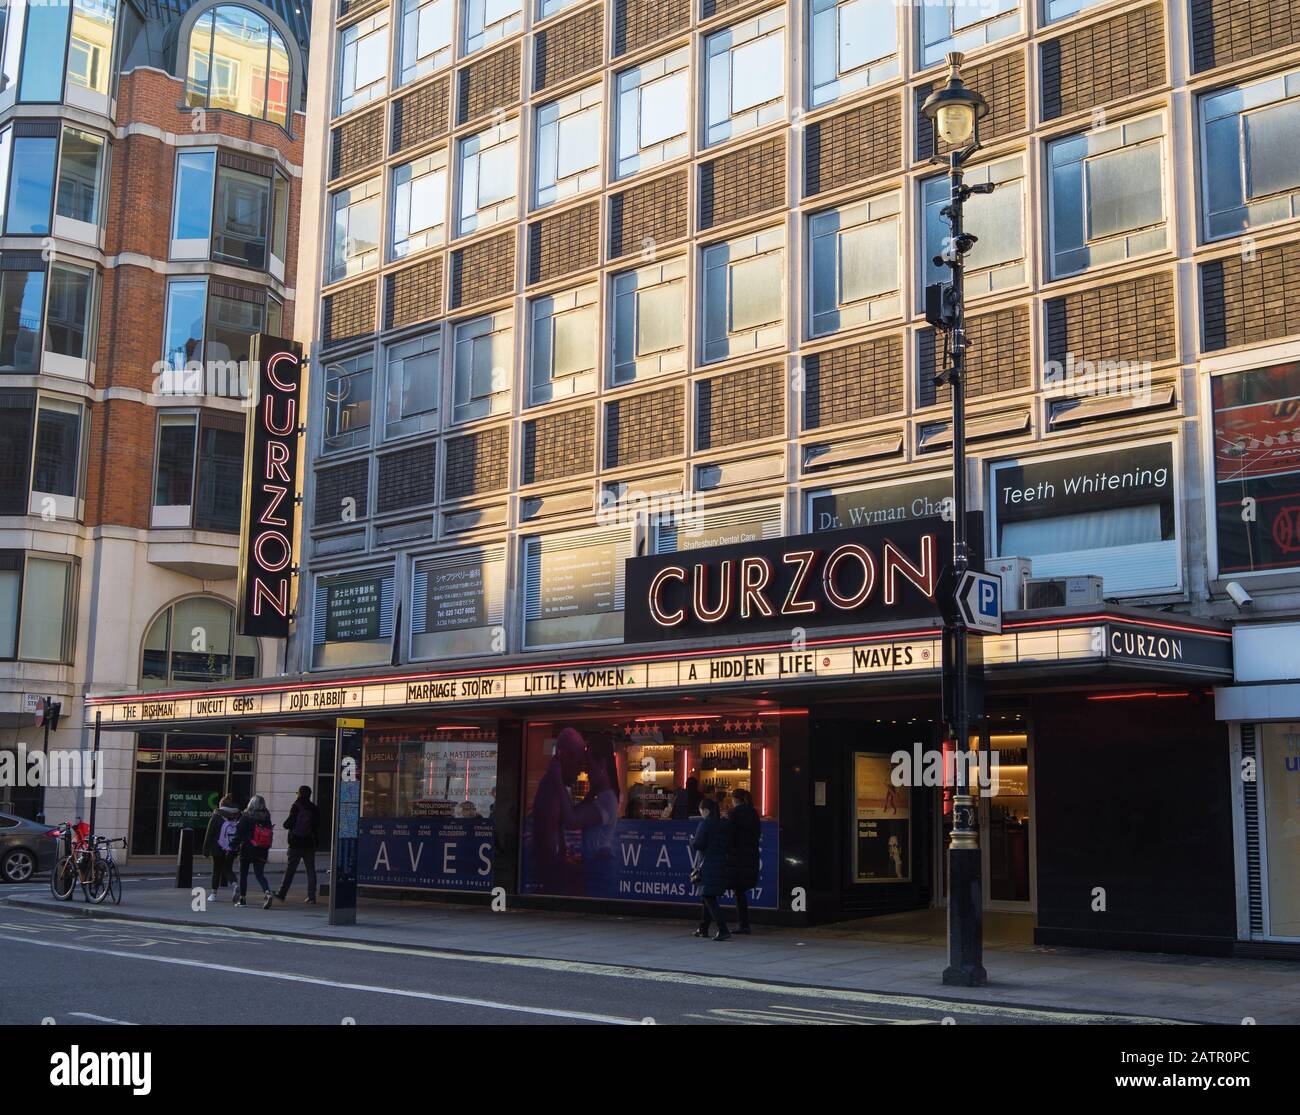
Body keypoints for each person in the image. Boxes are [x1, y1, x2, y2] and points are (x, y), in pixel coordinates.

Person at [560, 735, 621, 897]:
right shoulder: (602, 795)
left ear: (602, 765)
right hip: (596, 863)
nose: (585, 772)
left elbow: (572, 820)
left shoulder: (606, 799)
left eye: (589, 766)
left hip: (598, 866)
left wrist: (558, 783)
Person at [529, 726, 587, 895]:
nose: (579, 771)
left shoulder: (554, 784)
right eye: (577, 762)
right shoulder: (552, 787)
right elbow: (548, 840)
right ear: (565, 756)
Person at [689, 797, 732, 941]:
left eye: (701, 811)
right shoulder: (723, 824)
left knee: (708, 897)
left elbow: (699, 845)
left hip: (707, 863)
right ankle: (703, 928)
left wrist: (692, 841)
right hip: (720, 862)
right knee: (706, 897)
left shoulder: (705, 824)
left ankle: (723, 929)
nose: (700, 813)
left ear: (705, 810)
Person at [274, 786, 320, 905]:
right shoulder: (314, 808)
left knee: (290, 869)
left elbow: (287, 824)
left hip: (296, 843)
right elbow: (317, 826)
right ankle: (311, 896)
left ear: (299, 794)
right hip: (309, 843)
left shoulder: (296, 806)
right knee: (310, 869)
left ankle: (282, 893)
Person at [231, 794, 275, 909]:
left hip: (247, 849)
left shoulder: (246, 817)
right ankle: (267, 892)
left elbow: (239, 833)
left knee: (243, 875)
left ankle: (242, 899)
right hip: (262, 850)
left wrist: (232, 846)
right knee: (260, 874)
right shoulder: (267, 818)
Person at [727, 788, 761, 935]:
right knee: (741, 890)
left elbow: (729, 835)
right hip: (750, 855)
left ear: (735, 800)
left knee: (737, 890)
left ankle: (743, 923)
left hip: (737, 856)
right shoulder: (753, 813)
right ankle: (743, 923)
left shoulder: (733, 814)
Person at [202, 794, 240, 902]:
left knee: (216, 870)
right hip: (230, 847)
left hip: (217, 847)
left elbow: (209, 833)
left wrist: (205, 850)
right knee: (228, 868)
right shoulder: (235, 815)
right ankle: (235, 884)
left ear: (221, 804)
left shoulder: (217, 815)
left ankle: (213, 894)